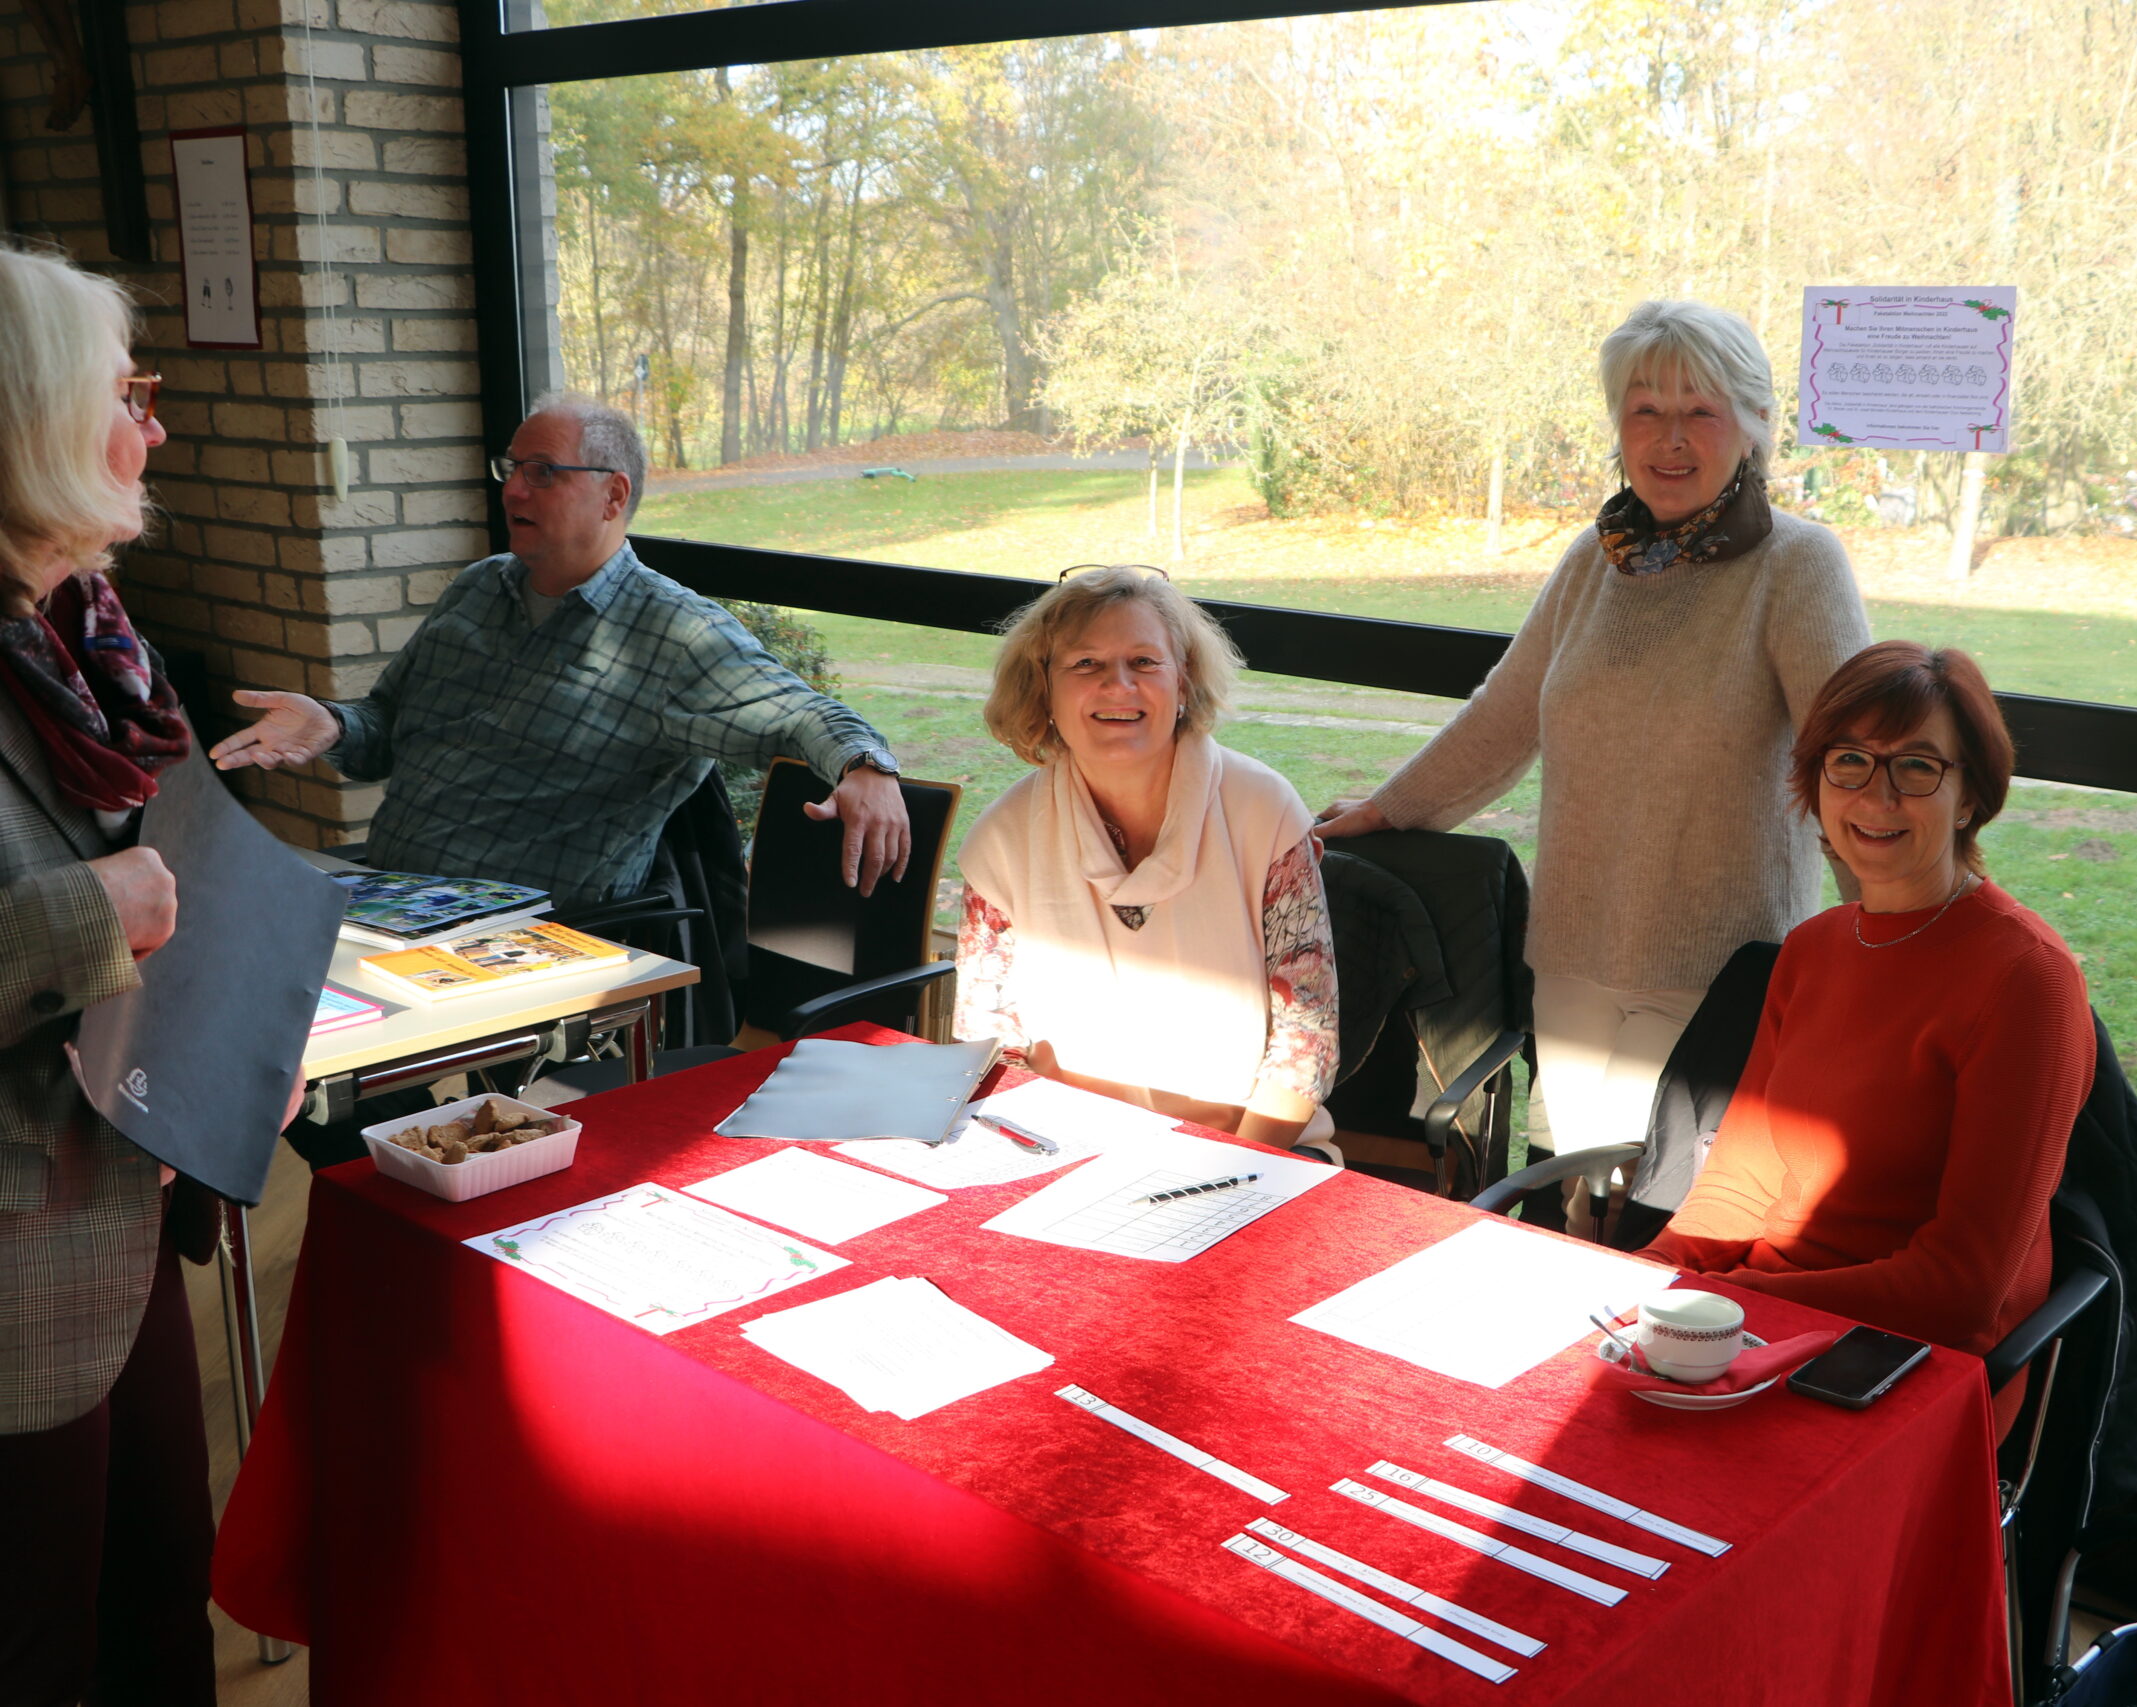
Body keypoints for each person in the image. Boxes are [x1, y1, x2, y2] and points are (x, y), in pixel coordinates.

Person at [1318, 299, 1869, 1213]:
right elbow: (1504, 717)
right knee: (1568, 1197)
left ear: (1755, 426)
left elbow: (1849, 759)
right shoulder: (1596, 560)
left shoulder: (1797, 565)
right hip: (1574, 953)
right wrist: (1386, 808)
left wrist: (1893, 930)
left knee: (1657, 1210)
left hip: (1717, 963)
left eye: (1700, 410)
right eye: (1645, 409)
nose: (1670, 438)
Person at [208, 392, 911, 906]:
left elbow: (805, 713)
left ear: (613, 496)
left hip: (526, 942)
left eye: (543, 471)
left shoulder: (670, 633)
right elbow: (385, 732)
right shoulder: (478, 588)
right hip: (392, 902)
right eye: (512, 468)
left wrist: (868, 768)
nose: (514, 488)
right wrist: (332, 726)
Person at [1641, 642, 2095, 1429]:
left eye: (1917, 767)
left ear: (1970, 796)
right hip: (1758, 1321)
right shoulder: (1812, 948)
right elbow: (1740, 1181)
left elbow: (1960, 1287)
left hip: (1908, 1364)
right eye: (1849, 760)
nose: (1876, 796)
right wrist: (1646, 1277)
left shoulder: (2027, 978)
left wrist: (1732, 1300)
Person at [0, 242, 215, 1705]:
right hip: (17, 1247)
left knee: (159, 1597)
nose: (156, 430)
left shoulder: (90, 638)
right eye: (127, 396)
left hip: (125, 1192)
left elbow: (179, 873)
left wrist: (234, 1050)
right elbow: (115, 900)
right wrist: (91, 906)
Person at [954, 567, 1338, 1151]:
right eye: (1086, 663)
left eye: (1144, 662)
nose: (1118, 685)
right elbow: (987, 1045)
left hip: (1252, 1151)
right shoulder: (1001, 840)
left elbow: (1305, 1040)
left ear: (1183, 682)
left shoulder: (1265, 810)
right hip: (1059, 1145)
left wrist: (1229, 1165)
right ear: (1044, 690)